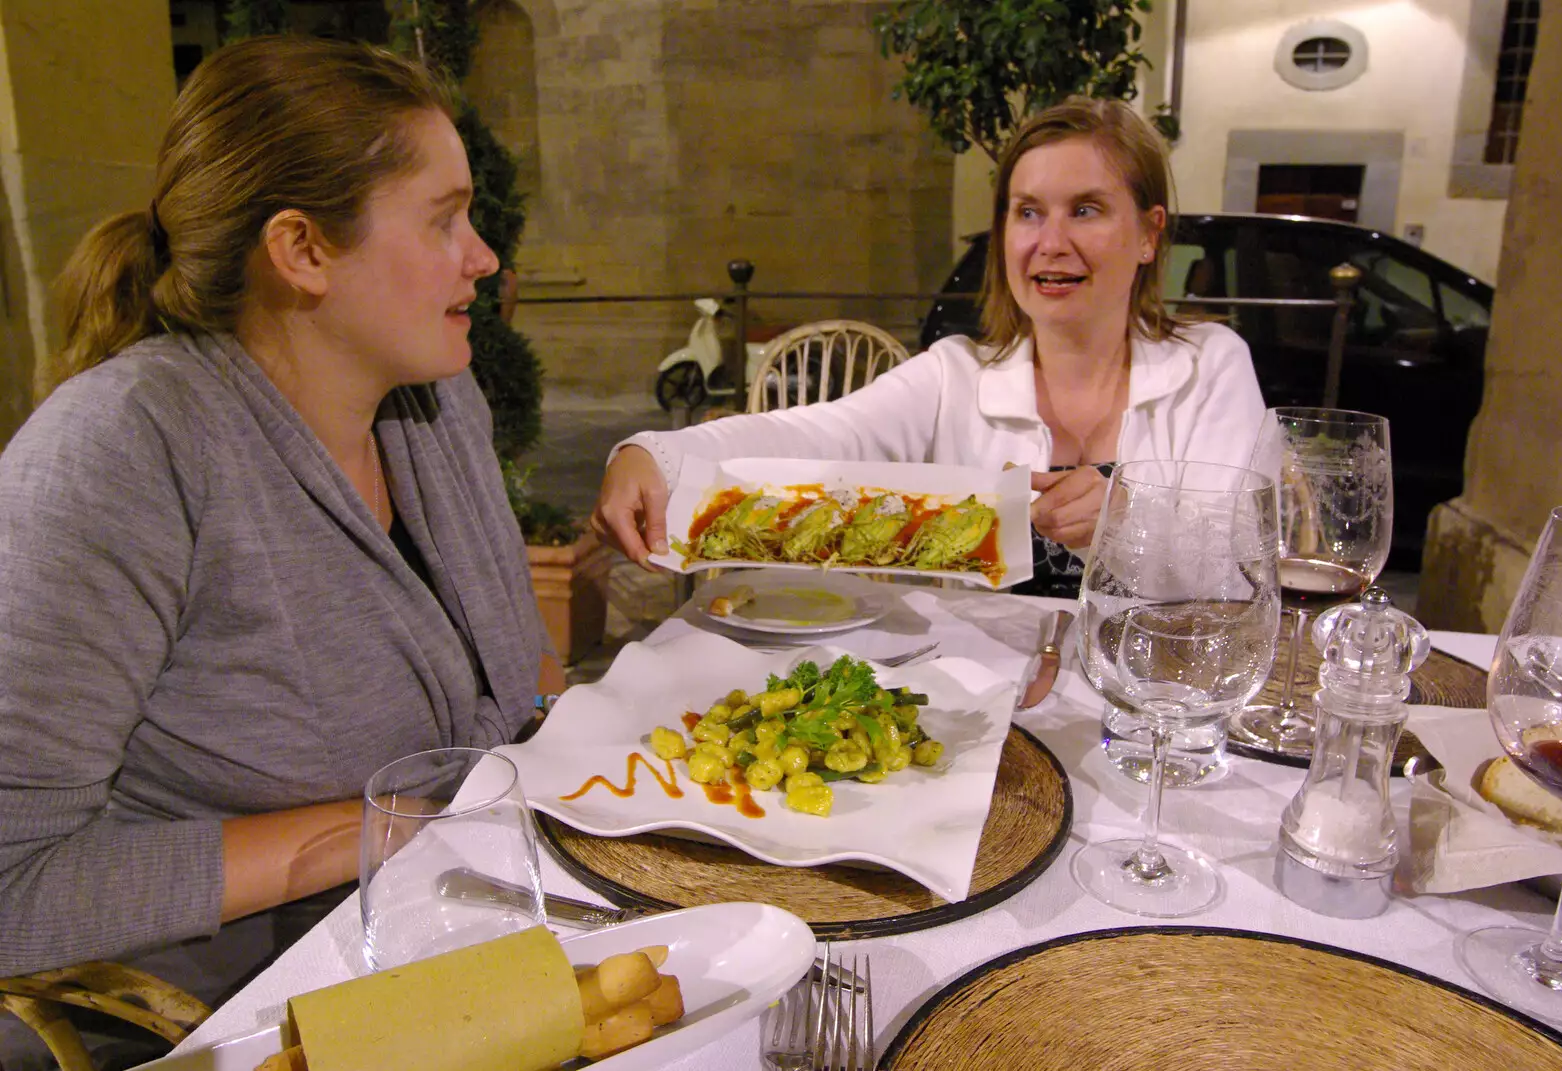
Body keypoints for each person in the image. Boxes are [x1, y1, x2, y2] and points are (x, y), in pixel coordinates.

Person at [0, 35, 562, 1017]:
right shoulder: (118, 458)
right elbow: (14, 883)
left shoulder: (432, 401)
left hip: (457, 935)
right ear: (302, 251)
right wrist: (389, 828)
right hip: (217, 1019)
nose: (483, 257)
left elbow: (516, 686)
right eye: (443, 222)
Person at [590, 98, 1266, 596]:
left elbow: (1242, 564)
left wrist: (1129, 520)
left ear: (1149, 234)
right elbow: (820, 436)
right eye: (1028, 211)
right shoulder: (954, 376)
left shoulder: (1210, 365)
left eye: (1085, 209)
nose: (1050, 241)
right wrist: (656, 455)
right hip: (992, 728)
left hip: (1154, 723)